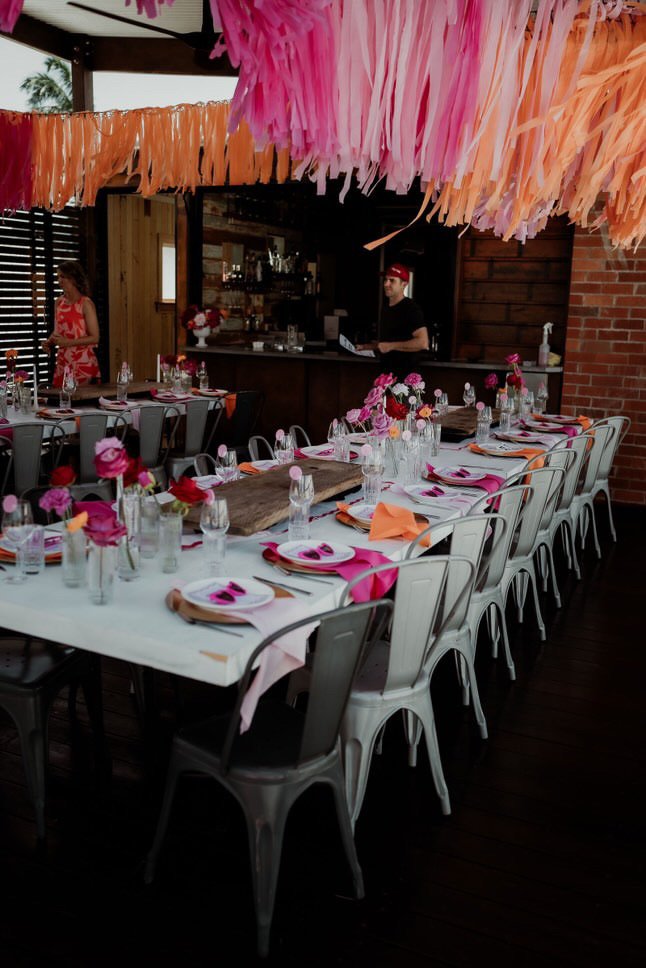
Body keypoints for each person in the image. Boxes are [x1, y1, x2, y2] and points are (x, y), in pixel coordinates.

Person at [358, 263, 429, 375]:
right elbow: (387, 343)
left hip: (405, 379)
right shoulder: (386, 309)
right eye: (385, 280)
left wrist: (391, 346)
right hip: (386, 375)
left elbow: (423, 342)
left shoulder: (411, 308)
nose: (386, 284)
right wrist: (366, 347)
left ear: (404, 284)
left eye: (392, 280)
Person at [42, 260, 101, 387]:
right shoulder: (58, 302)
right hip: (63, 363)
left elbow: (95, 337)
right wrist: (49, 342)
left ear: (74, 278)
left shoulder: (85, 303)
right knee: (61, 404)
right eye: (58, 276)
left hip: (83, 364)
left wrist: (68, 343)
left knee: (82, 405)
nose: (60, 280)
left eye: (63, 276)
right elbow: (58, 332)